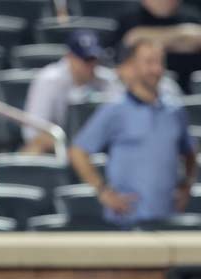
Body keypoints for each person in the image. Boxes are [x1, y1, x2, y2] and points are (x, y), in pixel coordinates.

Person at [70, 39, 197, 228]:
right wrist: (103, 191)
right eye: (148, 62)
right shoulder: (115, 109)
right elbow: (78, 151)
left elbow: (189, 153)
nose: (156, 69)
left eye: (159, 62)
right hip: (126, 220)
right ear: (132, 66)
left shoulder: (175, 110)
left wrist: (186, 185)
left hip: (168, 220)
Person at [20, 30, 117, 154]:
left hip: (100, 143)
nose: (90, 65)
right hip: (57, 145)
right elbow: (32, 132)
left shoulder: (107, 80)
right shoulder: (49, 79)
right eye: (85, 59)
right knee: (33, 148)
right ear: (70, 57)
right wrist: (70, 145)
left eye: (93, 59)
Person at [112, 0, 201, 92]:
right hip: (142, 86)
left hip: (188, 85)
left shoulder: (190, 16)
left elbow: (198, 38)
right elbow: (130, 39)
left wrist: (144, 35)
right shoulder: (129, 17)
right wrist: (181, 38)